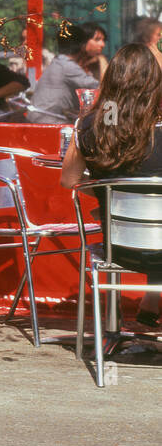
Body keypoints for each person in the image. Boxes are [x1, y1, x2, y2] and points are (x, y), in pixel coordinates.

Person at [60, 42, 162, 330]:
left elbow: (69, 180)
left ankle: (142, 311)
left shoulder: (91, 128)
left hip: (119, 248)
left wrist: (111, 193)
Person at [26, 22, 100, 124]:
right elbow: (99, 88)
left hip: (37, 119)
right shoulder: (68, 67)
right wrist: (102, 60)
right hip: (50, 122)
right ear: (83, 46)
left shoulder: (58, 62)